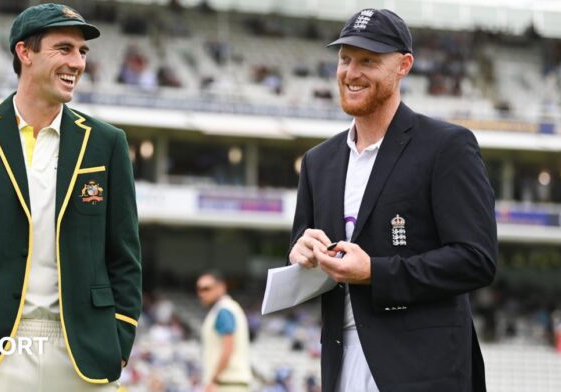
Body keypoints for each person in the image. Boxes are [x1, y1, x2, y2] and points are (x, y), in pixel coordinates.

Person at [0, 4, 142, 391]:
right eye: (64, 48)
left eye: (82, 52)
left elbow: (125, 256)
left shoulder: (107, 143)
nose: (77, 63)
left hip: (84, 352)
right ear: (25, 52)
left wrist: (121, 339)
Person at [288, 9, 496, 392]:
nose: (351, 73)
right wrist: (302, 255)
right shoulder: (319, 162)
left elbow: (476, 260)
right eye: (345, 59)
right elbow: (309, 259)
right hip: (340, 363)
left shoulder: (447, 146)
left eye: (368, 60)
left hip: (424, 369)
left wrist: (375, 272)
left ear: (404, 66)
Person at [197, 271, 252, 392]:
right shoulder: (226, 308)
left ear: (221, 287)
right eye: (199, 289)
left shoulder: (223, 310)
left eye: (206, 288)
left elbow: (228, 347)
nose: (201, 293)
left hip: (227, 384)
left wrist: (214, 379)